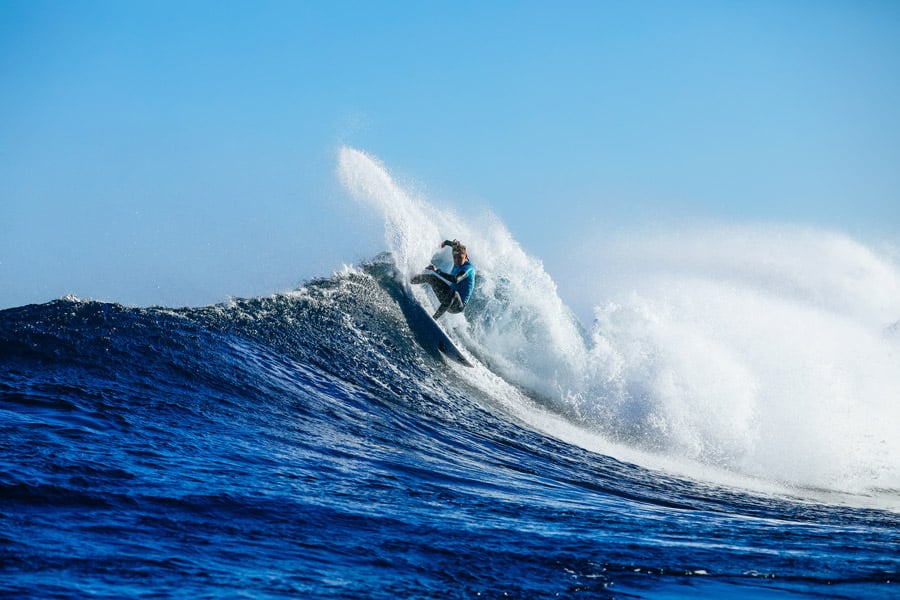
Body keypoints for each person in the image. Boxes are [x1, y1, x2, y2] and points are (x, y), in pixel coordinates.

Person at [411, 239, 476, 320]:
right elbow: (455, 246)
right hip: (447, 298)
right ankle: (409, 281)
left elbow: (456, 280)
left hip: (457, 306)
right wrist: (446, 242)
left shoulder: (469, 268)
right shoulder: (457, 252)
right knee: (431, 278)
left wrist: (437, 271)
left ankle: (434, 318)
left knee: (453, 294)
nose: (457, 260)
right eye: (455, 258)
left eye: (460, 258)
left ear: (466, 256)